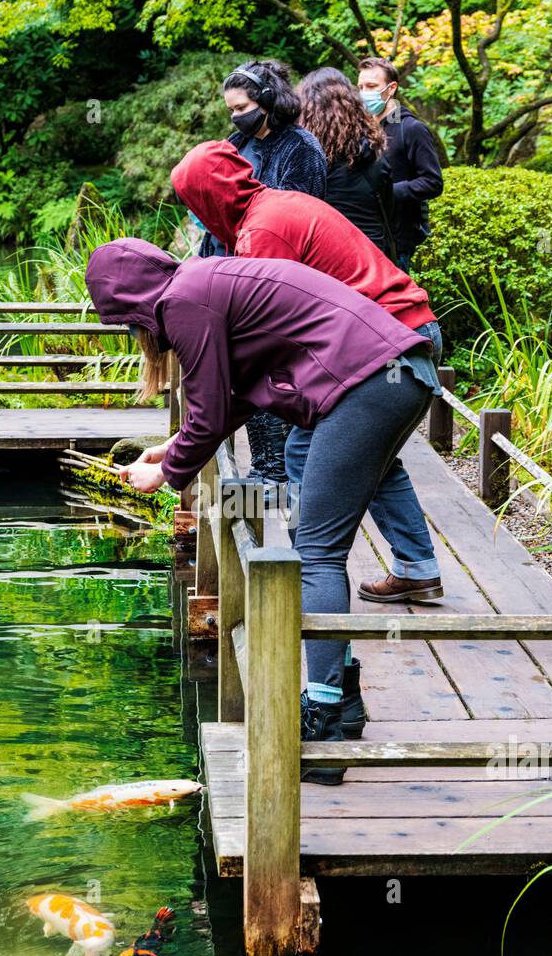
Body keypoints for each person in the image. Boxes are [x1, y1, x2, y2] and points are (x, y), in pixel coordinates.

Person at [85, 237, 439, 786]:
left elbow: (209, 409)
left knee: (317, 551)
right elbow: (235, 397)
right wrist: (176, 445)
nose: (132, 335)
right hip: (397, 375)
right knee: (320, 543)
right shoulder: (203, 284)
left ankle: (319, 723)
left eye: (123, 323)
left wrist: (168, 473)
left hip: (370, 384)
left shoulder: (183, 302)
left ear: (127, 302)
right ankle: (343, 702)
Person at [170, 138, 444, 650]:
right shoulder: (278, 204)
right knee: (373, 459)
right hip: (409, 333)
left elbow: (269, 333)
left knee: (305, 449)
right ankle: (416, 565)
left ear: (210, 197)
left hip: (386, 343)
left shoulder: (263, 233)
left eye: (194, 204)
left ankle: (312, 572)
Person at [199, 60, 327, 484]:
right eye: (231, 110)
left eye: (242, 107)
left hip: (277, 272)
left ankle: (281, 472)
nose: (236, 117)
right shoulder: (234, 144)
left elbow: (297, 213)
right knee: (243, 369)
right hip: (229, 267)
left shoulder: (302, 147)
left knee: (275, 370)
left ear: (268, 101)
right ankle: (264, 467)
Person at [297, 66, 397, 261]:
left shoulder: (304, 160)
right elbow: (387, 207)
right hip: (372, 257)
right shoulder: (373, 152)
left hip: (324, 258)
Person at [356, 57, 443, 273]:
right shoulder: (361, 128)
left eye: (372, 86)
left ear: (391, 88)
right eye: (360, 87)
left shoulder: (411, 128)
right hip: (363, 235)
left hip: (397, 242)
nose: (364, 92)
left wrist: (387, 192)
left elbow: (433, 182)